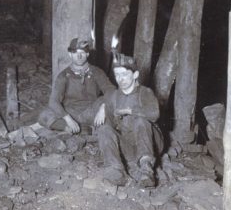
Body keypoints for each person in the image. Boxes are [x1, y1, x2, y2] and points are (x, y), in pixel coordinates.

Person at [94, 54, 162, 188]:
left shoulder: (145, 92)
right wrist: (103, 107)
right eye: (117, 75)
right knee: (103, 129)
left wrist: (130, 111)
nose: (120, 79)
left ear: (135, 75)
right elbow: (108, 128)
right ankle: (116, 171)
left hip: (150, 145)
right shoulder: (114, 96)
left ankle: (146, 170)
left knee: (140, 121)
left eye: (124, 74)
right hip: (129, 148)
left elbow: (154, 114)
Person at [37, 37, 115, 134]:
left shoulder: (96, 72)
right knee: (44, 115)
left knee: (107, 104)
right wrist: (68, 119)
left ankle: (80, 129)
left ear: (87, 54)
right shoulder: (63, 75)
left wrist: (103, 107)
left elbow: (111, 90)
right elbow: (53, 101)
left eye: (82, 53)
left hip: (91, 111)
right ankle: (78, 129)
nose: (79, 56)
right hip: (71, 112)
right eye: (75, 53)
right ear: (70, 54)